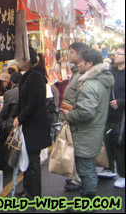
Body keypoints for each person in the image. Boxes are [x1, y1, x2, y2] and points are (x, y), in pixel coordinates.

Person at [61, 49, 114, 202]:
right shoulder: (101, 81)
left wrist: (69, 115)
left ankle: (87, 204)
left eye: (80, 62)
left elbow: (86, 112)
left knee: (85, 170)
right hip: (93, 131)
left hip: (86, 133)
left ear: (89, 64)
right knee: (87, 167)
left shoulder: (90, 84)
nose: (78, 64)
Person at [13, 47, 51, 199]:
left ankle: (34, 196)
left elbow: (33, 102)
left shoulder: (35, 76)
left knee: (33, 163)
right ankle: (28, 190)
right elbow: (23, 100)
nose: (18, 63)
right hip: (30, 125)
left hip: (34, 126)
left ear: (28, 60)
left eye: (20, 59)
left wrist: (20, 118)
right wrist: (18, 115)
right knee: (28, 161)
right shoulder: (30, 75)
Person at [60, 42, 89, 192]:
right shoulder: (77, 72)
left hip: (75, 116)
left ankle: (78, 179)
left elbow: (79, 98)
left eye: (72, 52)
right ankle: (75, 177)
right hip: (70, 115)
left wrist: (70, 113)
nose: (69, 55)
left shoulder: (84, 75)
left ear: (80, 54)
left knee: (77, 149)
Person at [99, 44, 125, 188]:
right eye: (115, 53)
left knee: (119, 144)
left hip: (121, 116)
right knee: (107, 141)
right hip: (108, 113)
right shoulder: (111, 71)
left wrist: (121, 102)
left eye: (119, 53)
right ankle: (109, 168)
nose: (116, 55)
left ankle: (123, 173)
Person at [0, 72, 22, 171]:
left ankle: (1, 164)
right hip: (23, 125)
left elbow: (4, 113)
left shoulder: (10, 93)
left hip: (11, 125)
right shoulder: (29, 91)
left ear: (12, 82)